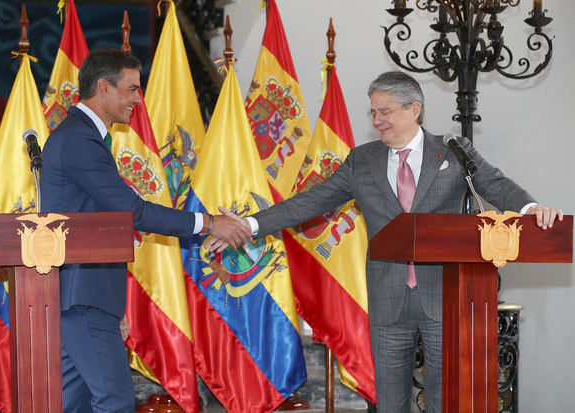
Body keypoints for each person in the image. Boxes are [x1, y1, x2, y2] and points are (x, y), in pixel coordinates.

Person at [211, 71, 563, 413]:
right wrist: (251, 224)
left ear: (414, 110)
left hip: (445, 298)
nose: (377, 119)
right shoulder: (361, 160)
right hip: (388, 301)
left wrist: (531, 209)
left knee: (446, 401)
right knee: (390, 404)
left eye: (385, 111)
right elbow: (310, 201)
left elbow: (495, 184)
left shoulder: (453, 151)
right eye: (373, 112)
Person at [40, 48, 250, 413]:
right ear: (103, 88)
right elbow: (133, 212)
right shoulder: (79, 139)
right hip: (82, 295)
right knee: (115, 401)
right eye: (132, 89)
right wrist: (210, 223)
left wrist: (112, 306)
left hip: (84, 294)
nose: (138, 99)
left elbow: (100, 221)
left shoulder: (83, 136)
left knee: (77, 403)